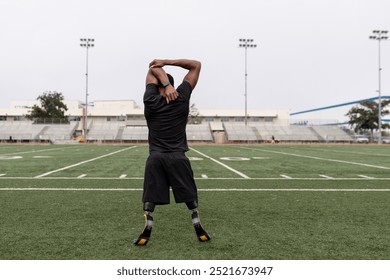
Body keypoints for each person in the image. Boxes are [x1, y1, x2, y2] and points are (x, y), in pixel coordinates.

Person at [134, 59, 211, 245]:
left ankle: (149, 219)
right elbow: (196, 65)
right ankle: (195, 218)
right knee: (189, 193)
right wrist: (168, 62)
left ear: (155, 85)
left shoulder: (150, 101)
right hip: (178, 157)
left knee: (151, 195)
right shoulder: (182, 98)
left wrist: (164, 82)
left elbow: (153, 68)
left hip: (156, 158)